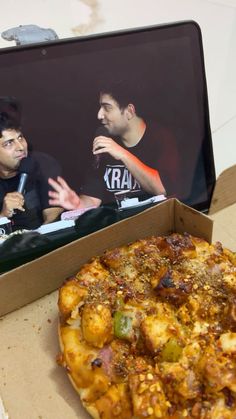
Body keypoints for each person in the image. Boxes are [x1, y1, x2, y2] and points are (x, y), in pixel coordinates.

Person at [48, 81, 179, 210]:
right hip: (117, 226)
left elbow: (162, 189)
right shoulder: (104, 139)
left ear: (129, 111)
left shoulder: (160, 137)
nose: (99, 115)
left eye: (107, 108)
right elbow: (93, 198)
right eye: (100, 107)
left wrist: (122, 154)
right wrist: (78, 205)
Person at [0, 109, 63, 230]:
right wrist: (2, 216)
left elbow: (53, 216)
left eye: (20, 138)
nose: (20, 147)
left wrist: (34, 243)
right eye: (9, 143)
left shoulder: (43, 163)